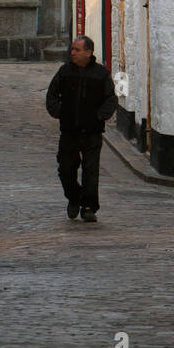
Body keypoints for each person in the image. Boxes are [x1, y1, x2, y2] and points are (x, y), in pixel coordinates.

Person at [46, 36, 116, 222]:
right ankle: (74, 196)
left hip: (92, 132)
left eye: (77, 50)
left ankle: (88, 207)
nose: (73, 53)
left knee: (90, 170)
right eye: (72, 49)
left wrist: (100, 116)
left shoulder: (101, 74)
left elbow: (110, 99)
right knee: (65, 169)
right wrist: (60, 112)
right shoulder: (65, 71)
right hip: (69, 131)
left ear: (88, 52)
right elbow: (52, 94)